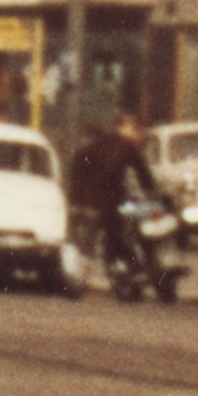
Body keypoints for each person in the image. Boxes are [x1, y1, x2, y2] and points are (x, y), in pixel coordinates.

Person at [65, 111, 163, 276]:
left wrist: (76, 199)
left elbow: (77, 174)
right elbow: (144, 174)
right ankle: (135, 263)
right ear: (124, 128)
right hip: (112, 204)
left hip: (93, 203)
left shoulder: (96, 146)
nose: (138, 135)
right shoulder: (126, 147)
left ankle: (127, 264)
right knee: (141, 219)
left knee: (114, 230)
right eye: (135, 130)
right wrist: (155, 193)